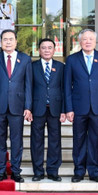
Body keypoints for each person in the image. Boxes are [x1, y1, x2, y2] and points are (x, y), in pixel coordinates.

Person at [64, 29, 98, 183]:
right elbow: (67, 86)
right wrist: (69, 109)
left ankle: (93, 171)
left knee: (95, 140)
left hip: (97, 107)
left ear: (95, 41)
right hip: (79, 107)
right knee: (78, 140)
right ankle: (79, 171)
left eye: (91, 39)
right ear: (80, 41)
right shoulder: (72, 59)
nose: (88, 41)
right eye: (85, 39)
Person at [0, 29, 32, 183]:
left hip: (17, 106)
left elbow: (28, 84)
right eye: (5, 39)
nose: (8, 42)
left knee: (16, 141)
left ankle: (15, 171)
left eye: (10, 39)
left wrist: (28, 106)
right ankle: (0, 171)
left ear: (16, 41)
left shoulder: (25, 59)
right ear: (0, 43)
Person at [30, 38, 66, 182]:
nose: (46, 50)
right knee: (36, 141)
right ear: (39, 50)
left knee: (55, 141)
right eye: (43, 48)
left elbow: (64, 89)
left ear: (54, 50)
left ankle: (52, 171)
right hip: (37, 109)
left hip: (55, 109)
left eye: (49, 47)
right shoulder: (32, 66)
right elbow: (29, 88)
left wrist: (64, 110)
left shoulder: (61, 66)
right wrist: (29, 109)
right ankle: (38, 171)